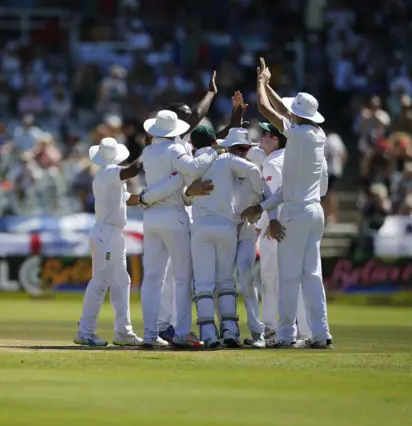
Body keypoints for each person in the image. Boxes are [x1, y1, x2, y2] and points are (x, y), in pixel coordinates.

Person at [241, 58, 332, 349]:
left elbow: (268, 109)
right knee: (312, 274)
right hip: (313, 211)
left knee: (289, 276)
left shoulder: (298, 135)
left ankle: (284, 335)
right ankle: (320, 334)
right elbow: (285, 111)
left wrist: (261, 84)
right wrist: (265, 208)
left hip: (295, 212)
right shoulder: (318, 135)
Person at [138, 110, 220, 348]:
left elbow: (178, 178)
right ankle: (182, 333)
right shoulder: (175, 150)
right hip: (173, 215)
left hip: (151, 216)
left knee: (152, 278)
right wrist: (211, 151)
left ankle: (150, 334)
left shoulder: (148, 151)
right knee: (183, 277)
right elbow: (194, 169)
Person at [185, 128, 264, 348]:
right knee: (226, 281)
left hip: (201, 226)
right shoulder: (227, 158)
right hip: (226, 226)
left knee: (203, 284)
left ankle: (209, 334)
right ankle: (230, 331)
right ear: (214, 141)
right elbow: (254, 171)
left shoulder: (191, 162)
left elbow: (183, 193)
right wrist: (259, 199)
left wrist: (189, 193)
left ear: (192, 144)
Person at [74, 138, 143, 346]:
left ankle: (123, 332)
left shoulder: (110, 178)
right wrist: (148, 149)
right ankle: (85, 332)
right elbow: (133, 171)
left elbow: (129, 198)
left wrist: (151, 198)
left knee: (122, 281)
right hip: (106, 234)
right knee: (100, 281)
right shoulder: (108, 173)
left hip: (112, 234)